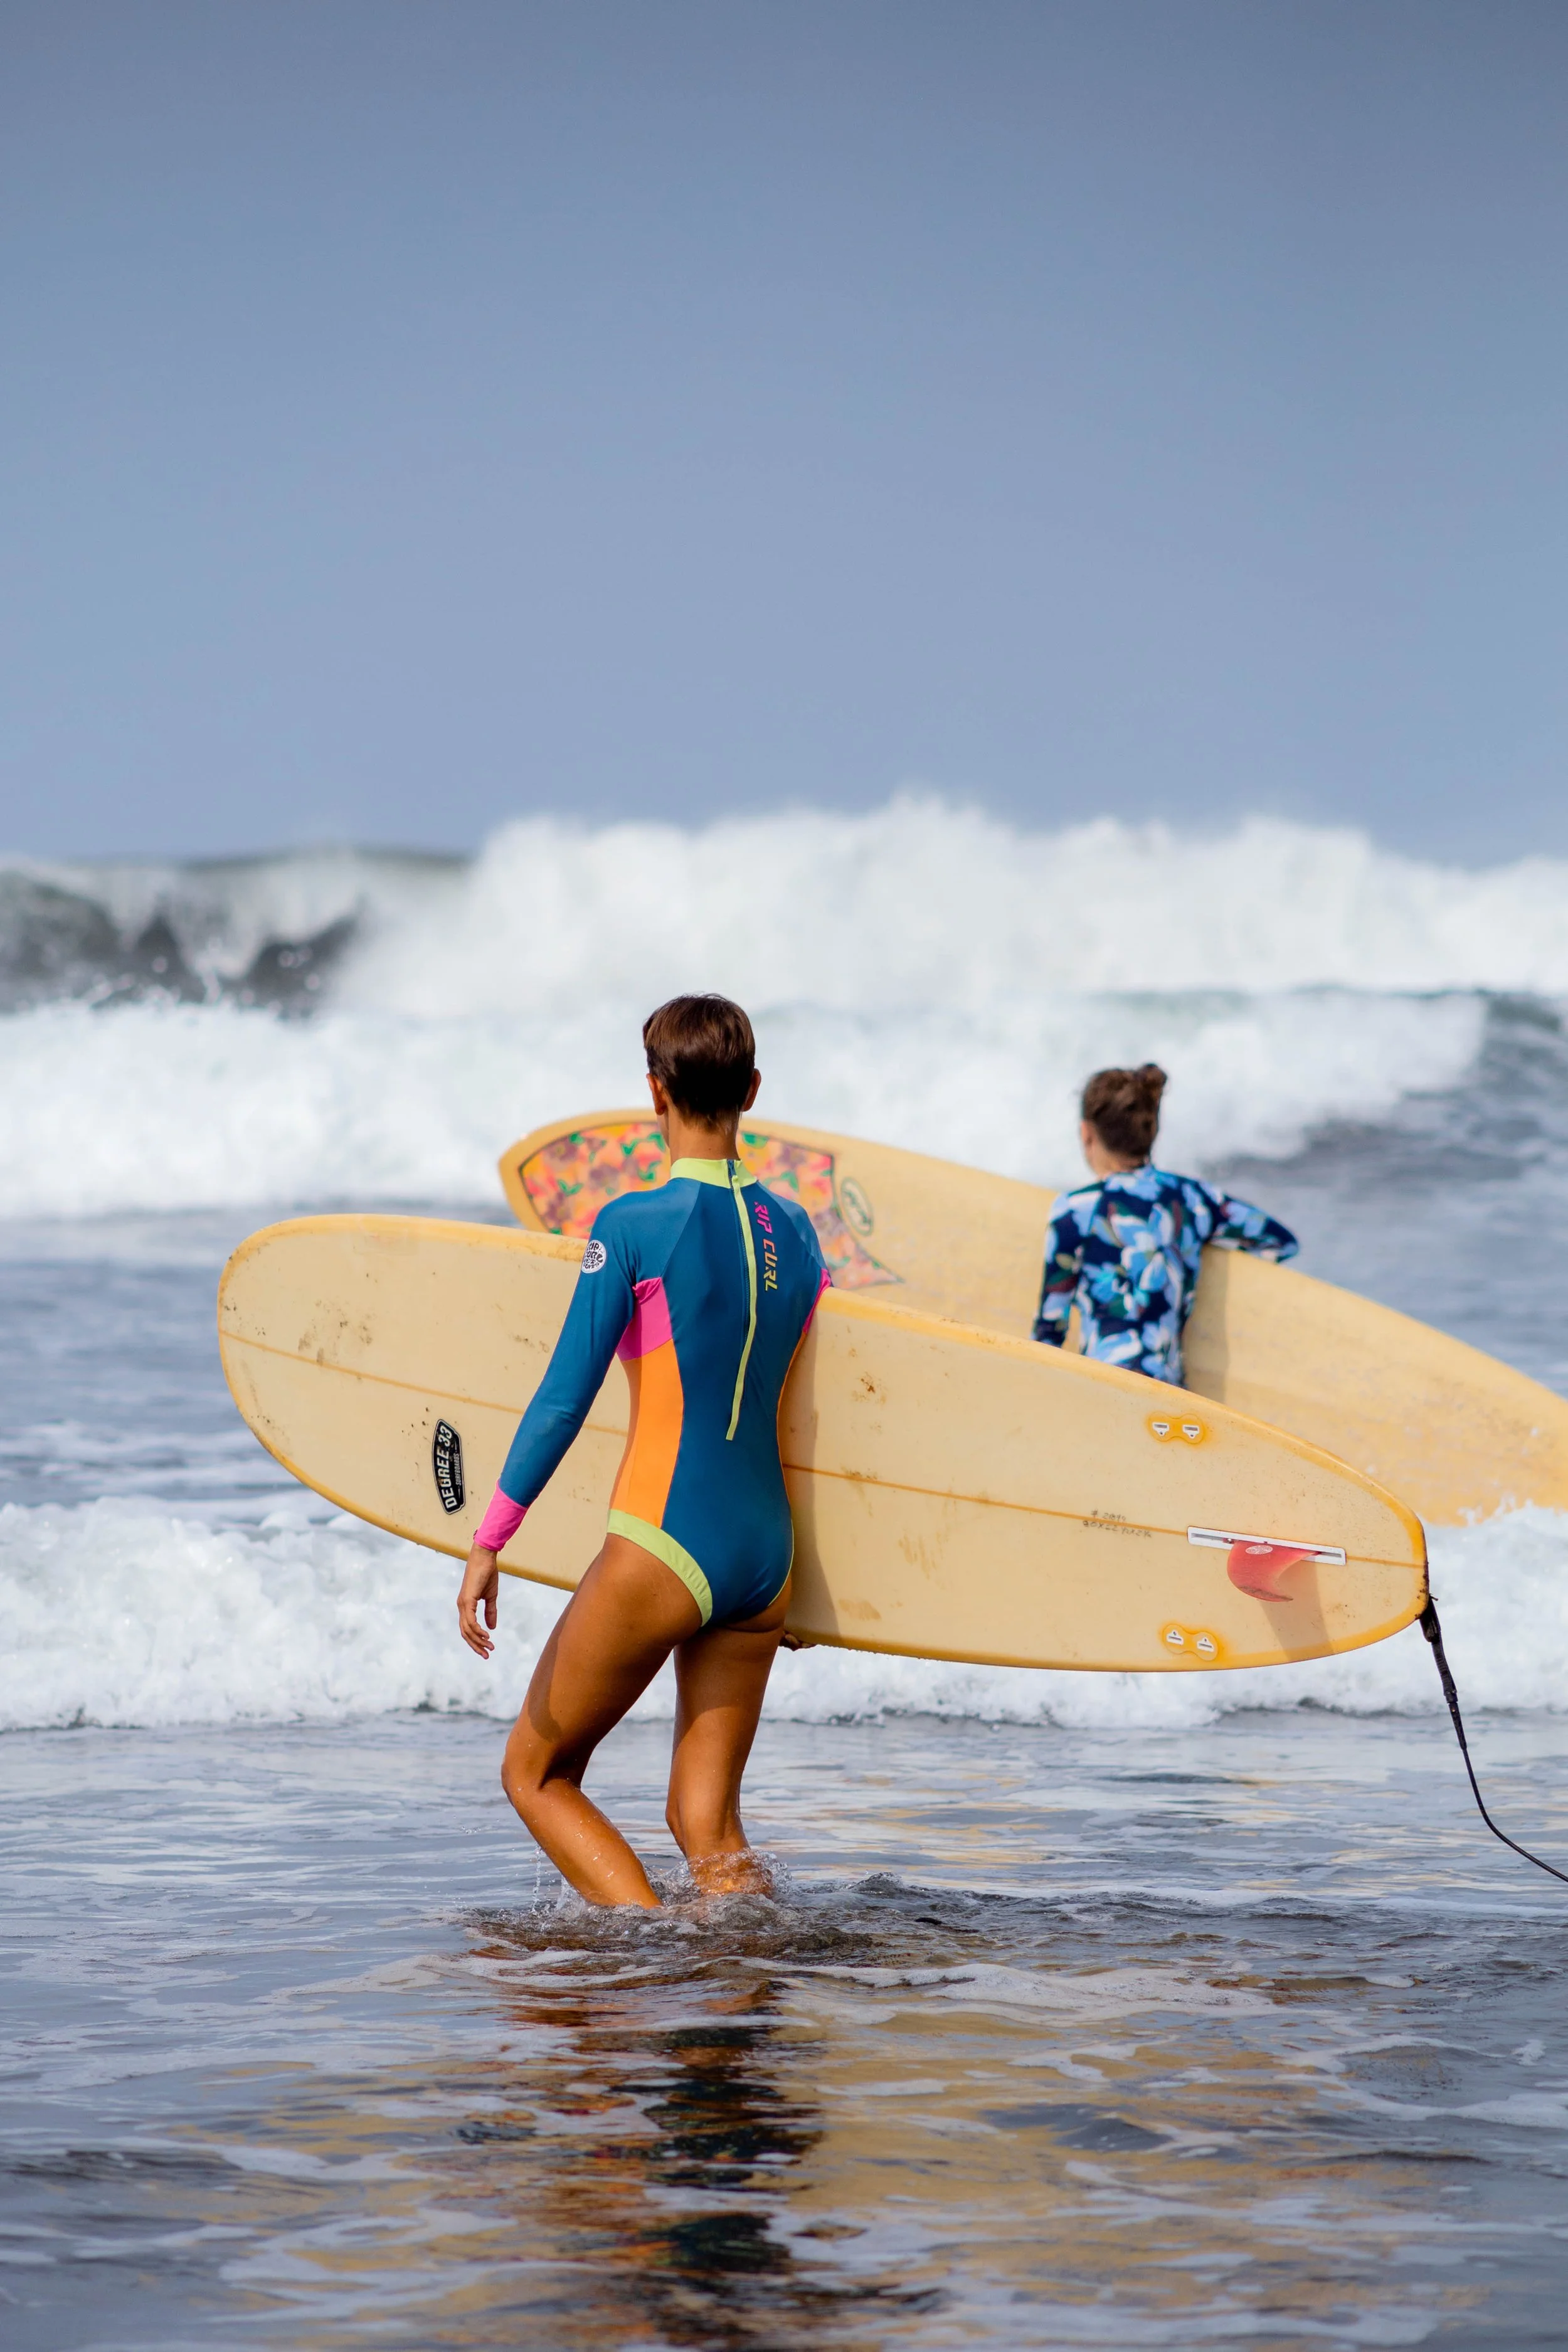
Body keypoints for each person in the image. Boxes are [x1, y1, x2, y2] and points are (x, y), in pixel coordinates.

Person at [457, 994, 830, 1909]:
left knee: (535, 1772)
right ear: (750, 1089)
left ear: (654, 1092)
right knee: (707, 1825)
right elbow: (811, 1415)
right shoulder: (803, 1234)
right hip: (765, 1557)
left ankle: (648, 1952)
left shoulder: (633, 1225)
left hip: (663, 1543)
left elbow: (561, 1399)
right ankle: (744, 1984)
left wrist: (489, 1537)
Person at [1034, 1063, 1298, 1385]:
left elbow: (1050, 1330)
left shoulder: (1074, 1209)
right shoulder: (1193, 1198)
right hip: (1170, 1397)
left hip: (1102, 1390)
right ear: (1151, 1130)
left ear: (1086, 1133)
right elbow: (1280, 1242)